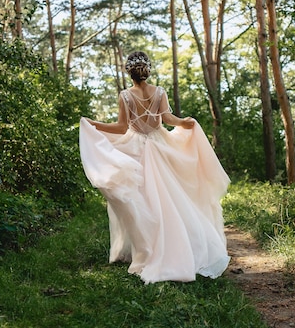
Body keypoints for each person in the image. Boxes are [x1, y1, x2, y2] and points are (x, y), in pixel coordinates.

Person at [79, 51, 230, 284]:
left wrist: (94, 124)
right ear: (147, 70)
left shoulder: (125, 96)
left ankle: (149, 248)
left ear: (129, 72)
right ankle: (177, 244)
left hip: (136, 148)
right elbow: (168, 118)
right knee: (172, 197)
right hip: (160, 145)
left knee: (143, 201)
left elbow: (121, 128)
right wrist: (185, 122)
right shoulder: (159, 92)